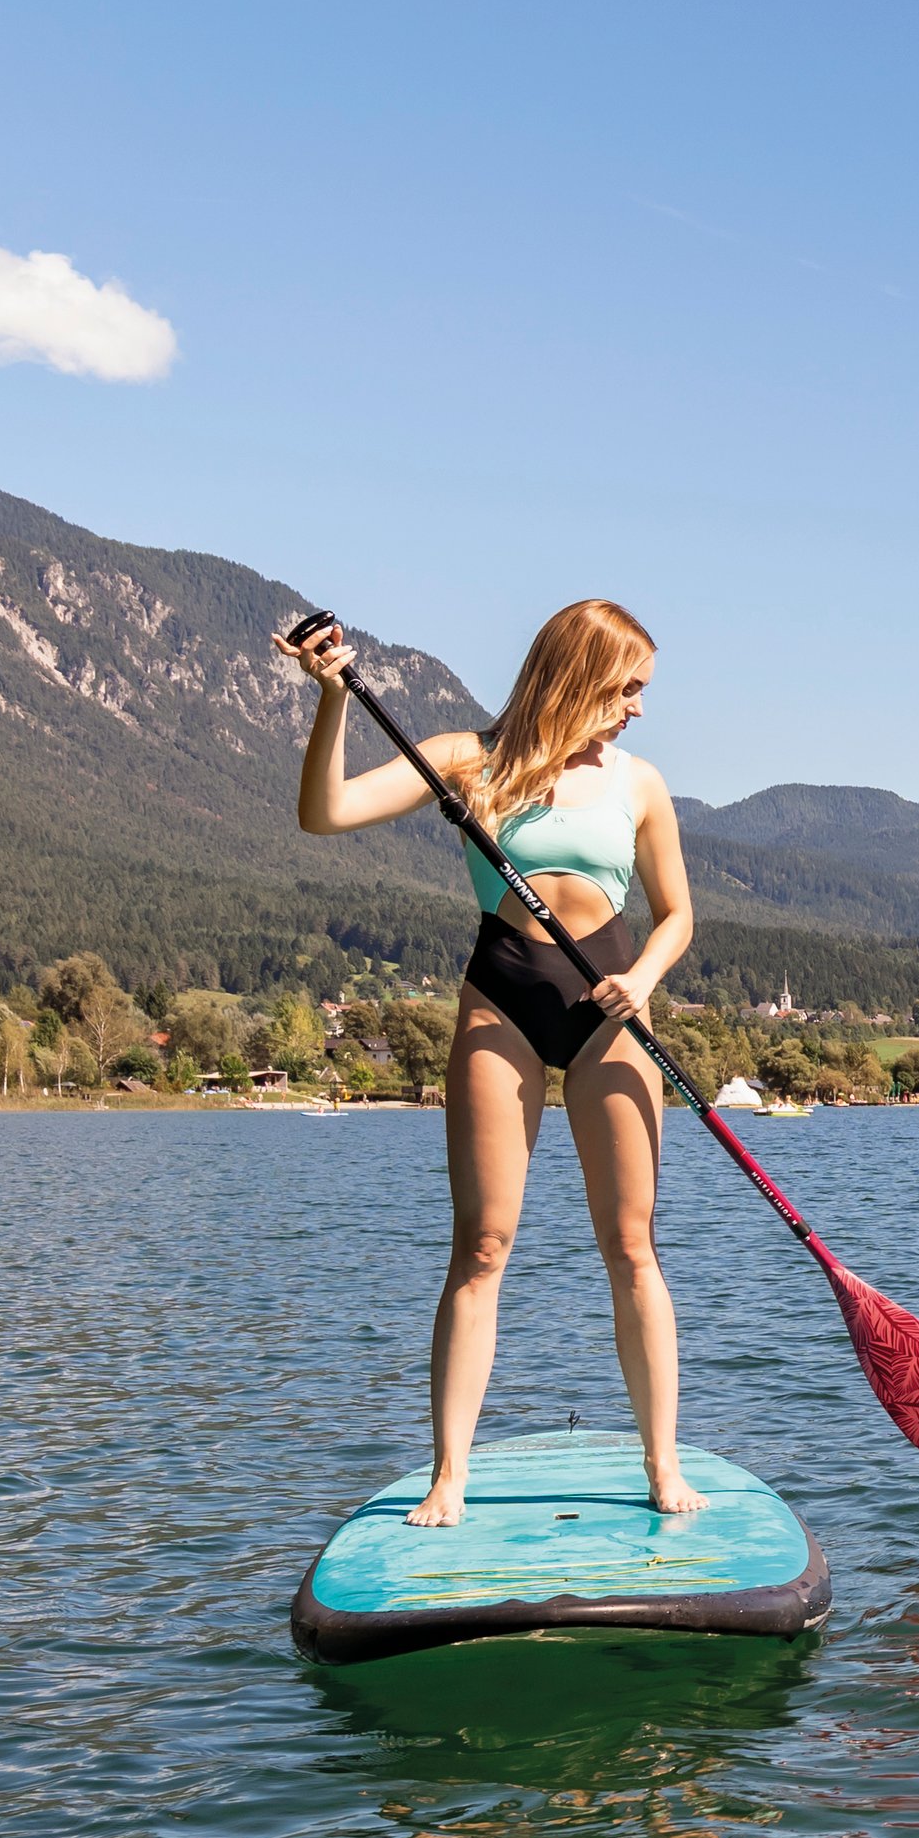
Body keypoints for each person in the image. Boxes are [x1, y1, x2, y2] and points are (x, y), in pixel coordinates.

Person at [281, 601, 703, 1524]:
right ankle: (449, 1476)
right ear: (579, 672)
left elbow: (677, 912)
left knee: (632, 1246)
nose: (636, 708)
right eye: (628, 687)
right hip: (501, 998)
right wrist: (330, 701)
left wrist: (644, 974)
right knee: (480, 1246)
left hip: (608, 1005)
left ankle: (662, 1465)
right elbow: (327, 812)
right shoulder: (470, 760)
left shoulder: (641, 784)